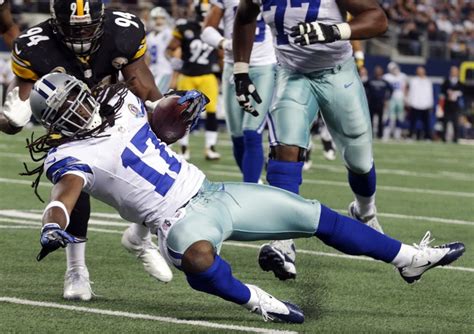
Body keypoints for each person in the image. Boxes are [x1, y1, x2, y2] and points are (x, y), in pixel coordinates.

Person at [30, 72, 465, 324]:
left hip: (213, 193)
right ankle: (259, 302)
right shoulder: (69, 154)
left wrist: (182, 106)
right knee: (199, 259)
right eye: (68, 109)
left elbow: (161, 119)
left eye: (78, 100)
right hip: (176, 222)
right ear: (57, 121)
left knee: (316, 216)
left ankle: (408, 258)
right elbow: (63, 195)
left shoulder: (120, 100)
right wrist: (53, 223)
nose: (80, 110)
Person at [0, 0, 206, 301]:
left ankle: (138, 238)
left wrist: (163, 112)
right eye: (73, 29)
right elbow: (16, 109)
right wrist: (10, 117)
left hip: (112, 110)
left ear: (101, 19)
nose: (80, 37)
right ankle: (76, 269)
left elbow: (142, 84)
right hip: (68, 120)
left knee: (152, 169)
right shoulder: (35, 45)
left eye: (86, 28)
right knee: (74, 185)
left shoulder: (121, 30)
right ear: (56, 22)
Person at [233, 0, 387, 280]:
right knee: (285, 148)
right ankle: (282, 240)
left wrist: (335, 31)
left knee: (360, 161)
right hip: (292, 75)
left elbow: (377, 18)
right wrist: (240, 69)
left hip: (338, 74)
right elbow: (244, 17)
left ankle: (364, 211)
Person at [201, 0, 276, 182]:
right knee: (237, 135)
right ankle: (254, 182)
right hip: (232, 66)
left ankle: (251, 188)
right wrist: (224, 43)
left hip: (264, 66)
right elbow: (207, 30)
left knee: (252, 132)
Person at [167, 16, 221, 161]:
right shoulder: (185, 28)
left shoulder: (217, 29)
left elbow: (222, 54)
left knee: (211, 112)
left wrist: (223, 72)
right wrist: (176, 63)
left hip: (208, 75)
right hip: (187, 75)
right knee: (183, 112)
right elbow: (171, 48)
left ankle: (210, 147)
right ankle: (183, 147)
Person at [146, 7, 174, 94]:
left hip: (165, 70)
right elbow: (148, 57)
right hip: (153, 70)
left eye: (162, 18)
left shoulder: (168, 33)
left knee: (157, 96)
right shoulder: (149, 36)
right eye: (156, 18)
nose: (159, 21)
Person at [407, 66, 433, 140]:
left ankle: (427, 137)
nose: (420, 72)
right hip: (415, 104)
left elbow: (430, 93)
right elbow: (410, 92)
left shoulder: (428, 81)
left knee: (426, 122)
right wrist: (409, 102)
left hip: (425, 104)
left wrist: (430, 104)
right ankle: (410, 135)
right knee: (412, 122)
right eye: (419, 71)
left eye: (422, 71)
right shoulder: (413, 81)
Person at [366, 65, 392, 139]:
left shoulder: (384, 82)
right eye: (377, 71)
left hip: (380, 103)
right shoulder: (370, 80)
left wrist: (387, 99)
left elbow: (391, 89)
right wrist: (366, 97)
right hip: (372, 103)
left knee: (381, 120)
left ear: (382, 72)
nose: (378, 72)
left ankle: (380, 135)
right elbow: (364, 87)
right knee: (370, 120)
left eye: (379, 71)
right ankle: (370, 135)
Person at [383, 62, 407, 140]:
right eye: (392, 69)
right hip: (391, 99)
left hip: (400, 99)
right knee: (389, 116)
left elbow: (405, 88)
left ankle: (397, 134)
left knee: (400, 117)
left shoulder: (403, 76)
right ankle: (386, 134)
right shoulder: (386, 77)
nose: (395, 70)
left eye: (395, 68)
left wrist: (405, 98)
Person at [440, 66, 464, 143]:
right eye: (452, 71)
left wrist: (455, 94)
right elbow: (442, 92)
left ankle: (455, 139)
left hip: (456, 107)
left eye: (455, 71)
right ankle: (443, 138)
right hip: (447, 106)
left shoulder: (460, 83)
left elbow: (462, 93)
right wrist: (448, 95)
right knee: (445, 123)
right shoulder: (446, 82)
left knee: (455, 123)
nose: (454, 73)